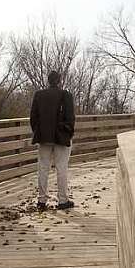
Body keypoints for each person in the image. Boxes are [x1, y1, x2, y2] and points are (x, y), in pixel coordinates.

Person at [30, 71, 76, 211]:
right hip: (61, 137)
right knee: (61, 168)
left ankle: (42, 200)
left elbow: (33, 117)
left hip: (43, 137)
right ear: (59, 81)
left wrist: (38, 132)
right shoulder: (66, 95)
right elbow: (70, 117)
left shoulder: (39, 95)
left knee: (43, 168)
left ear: (48, 81)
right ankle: (62, 200)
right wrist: (68, 133)